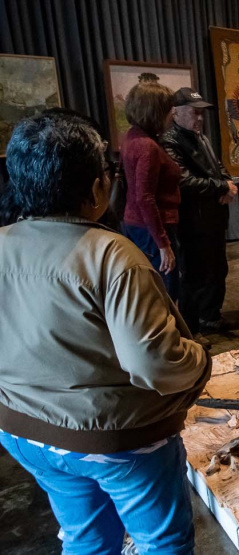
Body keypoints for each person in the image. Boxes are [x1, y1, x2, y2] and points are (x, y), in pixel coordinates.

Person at [0, 111, 210, 554]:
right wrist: (200, 361)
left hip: (24, 431)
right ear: (98, 186)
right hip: (116, 439)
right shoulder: (113, 257)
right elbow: (154, 363)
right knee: (162, 541)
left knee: (86, 536)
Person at [161, 87, 239, 334]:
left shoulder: (200, 137)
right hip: (193, 222)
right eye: (194, 113)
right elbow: (183, 181)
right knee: (195, 278)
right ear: (175, 113)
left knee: (218, 269)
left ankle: (211, 316)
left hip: (213, 218)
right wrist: (220, 187)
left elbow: (218, 166)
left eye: (201, 113)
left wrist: (227, 185)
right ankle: (190, 330)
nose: (199, 118)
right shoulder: (170, 142)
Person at [121, 80, 183, 300]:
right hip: (153, 228)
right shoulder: (147, 146)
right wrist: (163, 244)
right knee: (164, 292)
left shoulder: (132, 136)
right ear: (155, 111)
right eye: (169, 108)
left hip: (138, 225)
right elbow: (145, 198)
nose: (173, 112)